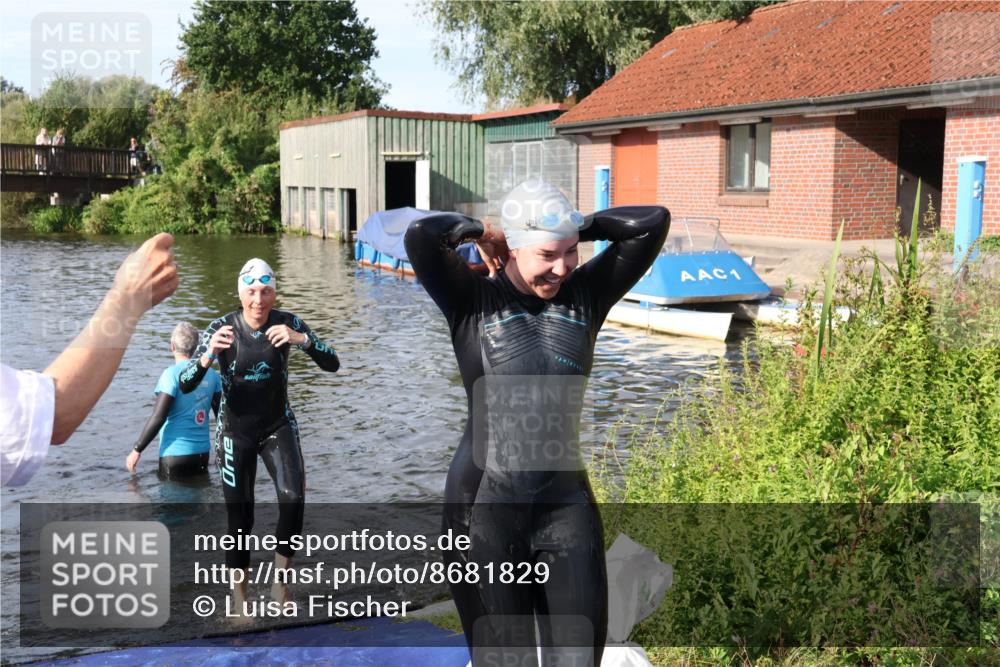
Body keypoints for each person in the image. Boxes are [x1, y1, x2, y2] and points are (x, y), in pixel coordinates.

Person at [404, 180, 669, 666]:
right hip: (484, 511)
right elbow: (423, 236)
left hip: (565, 508)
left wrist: (575, 223)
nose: (563, 267)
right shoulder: (471, 302)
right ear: (515, 247)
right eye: (548, 253)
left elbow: (651, 223)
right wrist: (486, 231)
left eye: (572, 252)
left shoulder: (586, 296)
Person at [179, 258, 340, 612]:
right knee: (241, 518)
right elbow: (185, 383)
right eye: (251, 292)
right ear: (240, 294)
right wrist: (208, 356)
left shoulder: (288, 323)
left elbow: (334, 362)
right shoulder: (221, 327)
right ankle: (240, 598)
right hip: (235, 433)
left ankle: (279, 583)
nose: (258, 300)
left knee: (293, 498)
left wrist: (303, 341)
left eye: (266, 292)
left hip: (277, 425)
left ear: (274, 292)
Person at [1, 233, 180, 487]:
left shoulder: (171, 377)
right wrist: (128, 297)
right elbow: (54, 415)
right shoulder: (202, 375)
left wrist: (137, 449)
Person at [126, 323, 222, 480]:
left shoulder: (170, 375)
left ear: (172, 346)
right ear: (196, 347)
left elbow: (158, 417)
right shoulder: (212, 375)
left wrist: (137, 449)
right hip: (202, 454)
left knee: (172, 503)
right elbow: (222, 417)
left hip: (175, 455)